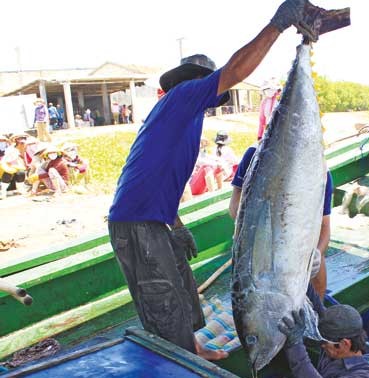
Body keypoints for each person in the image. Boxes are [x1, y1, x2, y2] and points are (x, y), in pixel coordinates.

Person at [107, 0, 308, 361]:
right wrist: (277, 25)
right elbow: (234, 71)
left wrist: (176, 224)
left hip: (153, 219)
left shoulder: (187, 117)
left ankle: (193, 347)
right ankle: (182, 361)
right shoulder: (184, 96)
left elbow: (155, 182)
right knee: (163, 299)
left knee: (182, 289)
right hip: (137, 224)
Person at [229, 144, 333, 299]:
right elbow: (234, 205)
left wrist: (317, 253)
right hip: (258, 239)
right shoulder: (254, 155)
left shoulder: (321, 174)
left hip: (297, 242)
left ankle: (316, 309)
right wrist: (252, 226)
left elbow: (325, 226)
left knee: (319, 271)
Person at [279, 305, 369, 378]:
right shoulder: (334, 351)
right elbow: (316, 303)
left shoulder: (365, 375)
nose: (322, 346)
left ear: (344, 343)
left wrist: (295, 345)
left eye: (324, 342)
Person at [0, 135, 28, 199]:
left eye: (3, 141)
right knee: (7, 173)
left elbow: (18, 159)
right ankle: (3, 192)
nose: (2, 142)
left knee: (21, 172)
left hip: (13, 165)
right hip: (3, 166)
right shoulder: (10, 149)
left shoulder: (12, 148)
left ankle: (20, 189)